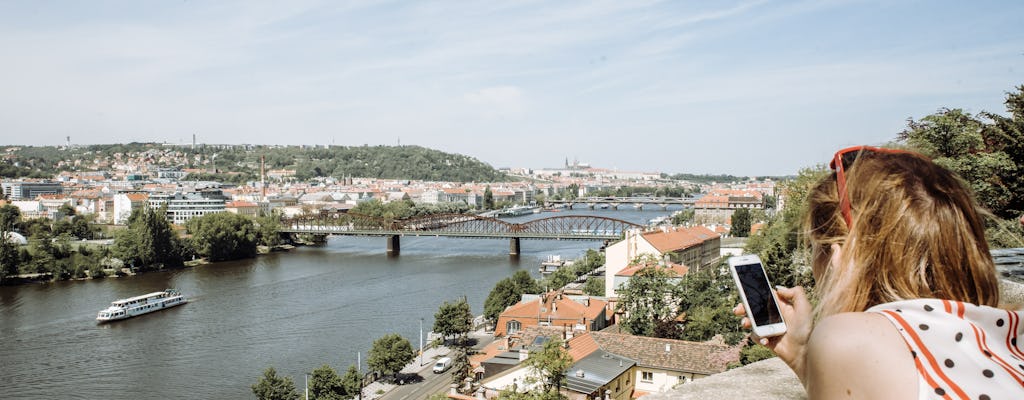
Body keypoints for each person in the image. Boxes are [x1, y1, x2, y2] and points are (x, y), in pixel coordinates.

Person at [735, 146, 1024, 399]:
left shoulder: (847, 337)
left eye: (814, 247)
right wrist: (800, 355)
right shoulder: (1008, 333)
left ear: (838, 257)